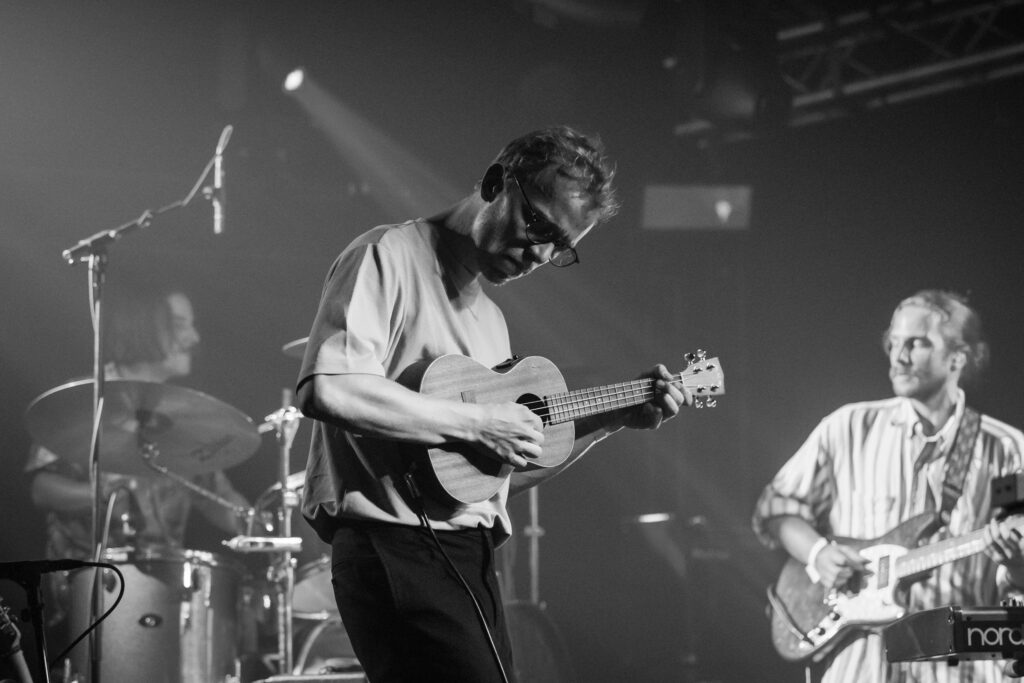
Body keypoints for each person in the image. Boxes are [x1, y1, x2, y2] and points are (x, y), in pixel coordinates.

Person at [295, 126, 692, 683]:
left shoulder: (491, 322)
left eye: (562, 248)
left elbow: (492, 479)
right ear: (495, 182)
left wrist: (611, 420)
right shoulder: (386, 255)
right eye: (540, 227)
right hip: (393, 548)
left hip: (466, 555)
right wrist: (480, 421)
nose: (542, 254)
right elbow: (327, 389)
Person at [752, 290, 1024, 683]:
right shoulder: (847, 427)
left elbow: (1016, 575)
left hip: (965, 668)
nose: (899, 356)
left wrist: (1015, 560)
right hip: (862, 666)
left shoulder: (1008, 450)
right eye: (893, 342)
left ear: (958, 358)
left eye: (917, 343)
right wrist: (818, 553)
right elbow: (776, 509)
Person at [24, 286, 250, 651]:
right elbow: (42, 489)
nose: (194, 338)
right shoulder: (85, 402)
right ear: (142, 327)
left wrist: (262, 522)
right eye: (179, 325)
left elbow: (218, 500)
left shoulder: (183, 414)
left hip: (164, 585)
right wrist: (106, 498)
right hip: (88, 588)